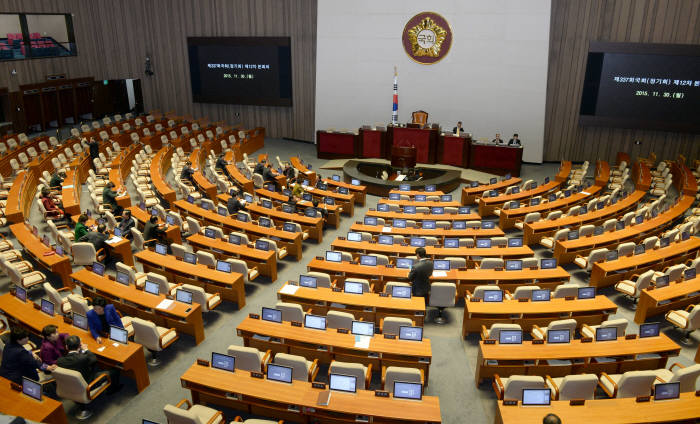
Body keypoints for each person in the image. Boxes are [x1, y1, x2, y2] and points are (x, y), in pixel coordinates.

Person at [57, 335, 122, 393]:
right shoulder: (83, 358)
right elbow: (94, 359)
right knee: (115, 370)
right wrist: (86, 349)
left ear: (66, 347)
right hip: (88, 384)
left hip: (70, 386)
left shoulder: (59, 361)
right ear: (79, 346)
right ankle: (113, 389)